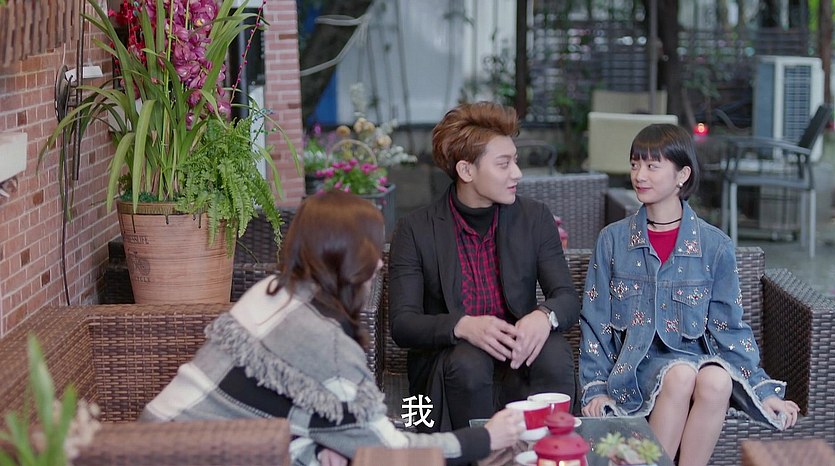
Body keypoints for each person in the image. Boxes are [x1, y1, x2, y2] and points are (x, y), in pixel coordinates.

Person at [139, 190, 524, 466]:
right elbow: (386, 451)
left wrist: (324, 445)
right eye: (372, 250)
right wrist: (485, 437)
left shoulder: (272, 291)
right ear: (351, 259)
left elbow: (275, 405)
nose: (380, 265)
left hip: (149, 441)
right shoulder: (325, 342)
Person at [578, 124, 799, 466]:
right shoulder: (613, 240)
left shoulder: (715, 246)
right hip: (636, 371)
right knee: (680, 374)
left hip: (698, 364)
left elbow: (729, 329)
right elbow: (596, 322)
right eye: (635, 164)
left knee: (717, 379)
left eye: (652, 166)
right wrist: (595, 388)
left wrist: (762, 390)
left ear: (682, 175)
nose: (639, 175)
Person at [389, 101, 580, 432]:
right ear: (466, 171)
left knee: (553, 353)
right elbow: (403, 324)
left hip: (517, 353)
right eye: (504, 164)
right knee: (468, 362)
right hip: (454, 363)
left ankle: (552, 448)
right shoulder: (415, 230)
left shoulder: (534, 218)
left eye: (515, 161)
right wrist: (462, 326)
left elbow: (566, 297)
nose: (517, 173)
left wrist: (543, 316)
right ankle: (475, 451)